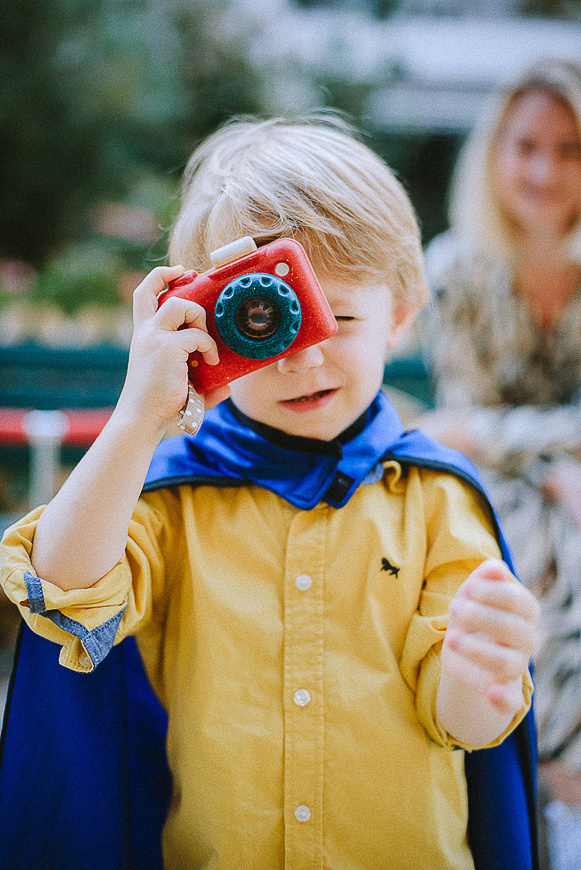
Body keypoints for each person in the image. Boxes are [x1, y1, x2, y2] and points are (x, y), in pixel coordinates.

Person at [0, 116, 539, 870]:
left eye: (340, 316)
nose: (304, 358)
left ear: (402, 316)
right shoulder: (166, 499)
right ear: (200, 319)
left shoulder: (437, 499)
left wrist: (479, 678)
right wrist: (137, 417)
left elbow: (464, 725)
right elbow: (60, 593)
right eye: (264, 320)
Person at [416, 57, 581, 869]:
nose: (544, 170)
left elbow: (478, 423)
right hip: (507, 492)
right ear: (495, 154)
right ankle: (551, 786)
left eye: (567, 148)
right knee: (533, 543)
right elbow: (456, 428)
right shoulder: (455, 270)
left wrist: (520, 443)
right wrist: (557, 464)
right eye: (526, 146)